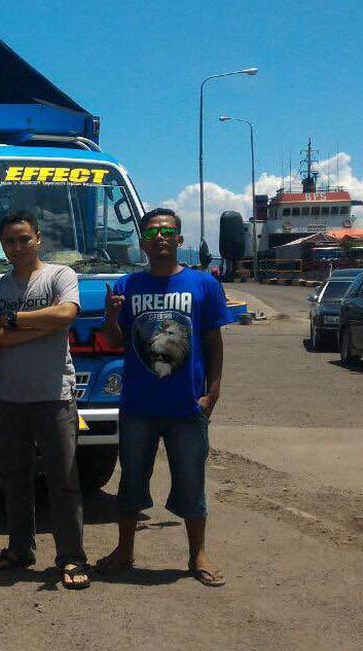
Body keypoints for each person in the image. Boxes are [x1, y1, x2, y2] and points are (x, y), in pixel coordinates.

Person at [96, 208, 232, 587]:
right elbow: (114, 342)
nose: (160, 238)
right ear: (141, 241)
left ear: (179, 240)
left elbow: (213, 341)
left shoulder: (204, 284)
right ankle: (124, 551)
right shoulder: (126, 287)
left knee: (192, 481)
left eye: (167, 231)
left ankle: (197, 555)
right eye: (152, 232)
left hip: (187, 406)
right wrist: (110, 319)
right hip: (138, 406)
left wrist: (213, 392)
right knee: (131, 482)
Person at [0, 210, 90, 590]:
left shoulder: (60, 275)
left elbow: (67, 313)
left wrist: (15, 322)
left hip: (55, 396)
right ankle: (20, 549)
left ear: (38, 238)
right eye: (10, 241)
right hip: (10, 398)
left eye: (25, 239)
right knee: (15, 480)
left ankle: (71, 557)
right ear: (2, 246)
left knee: (64, 480)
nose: (18, 247)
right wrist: (37, 328)